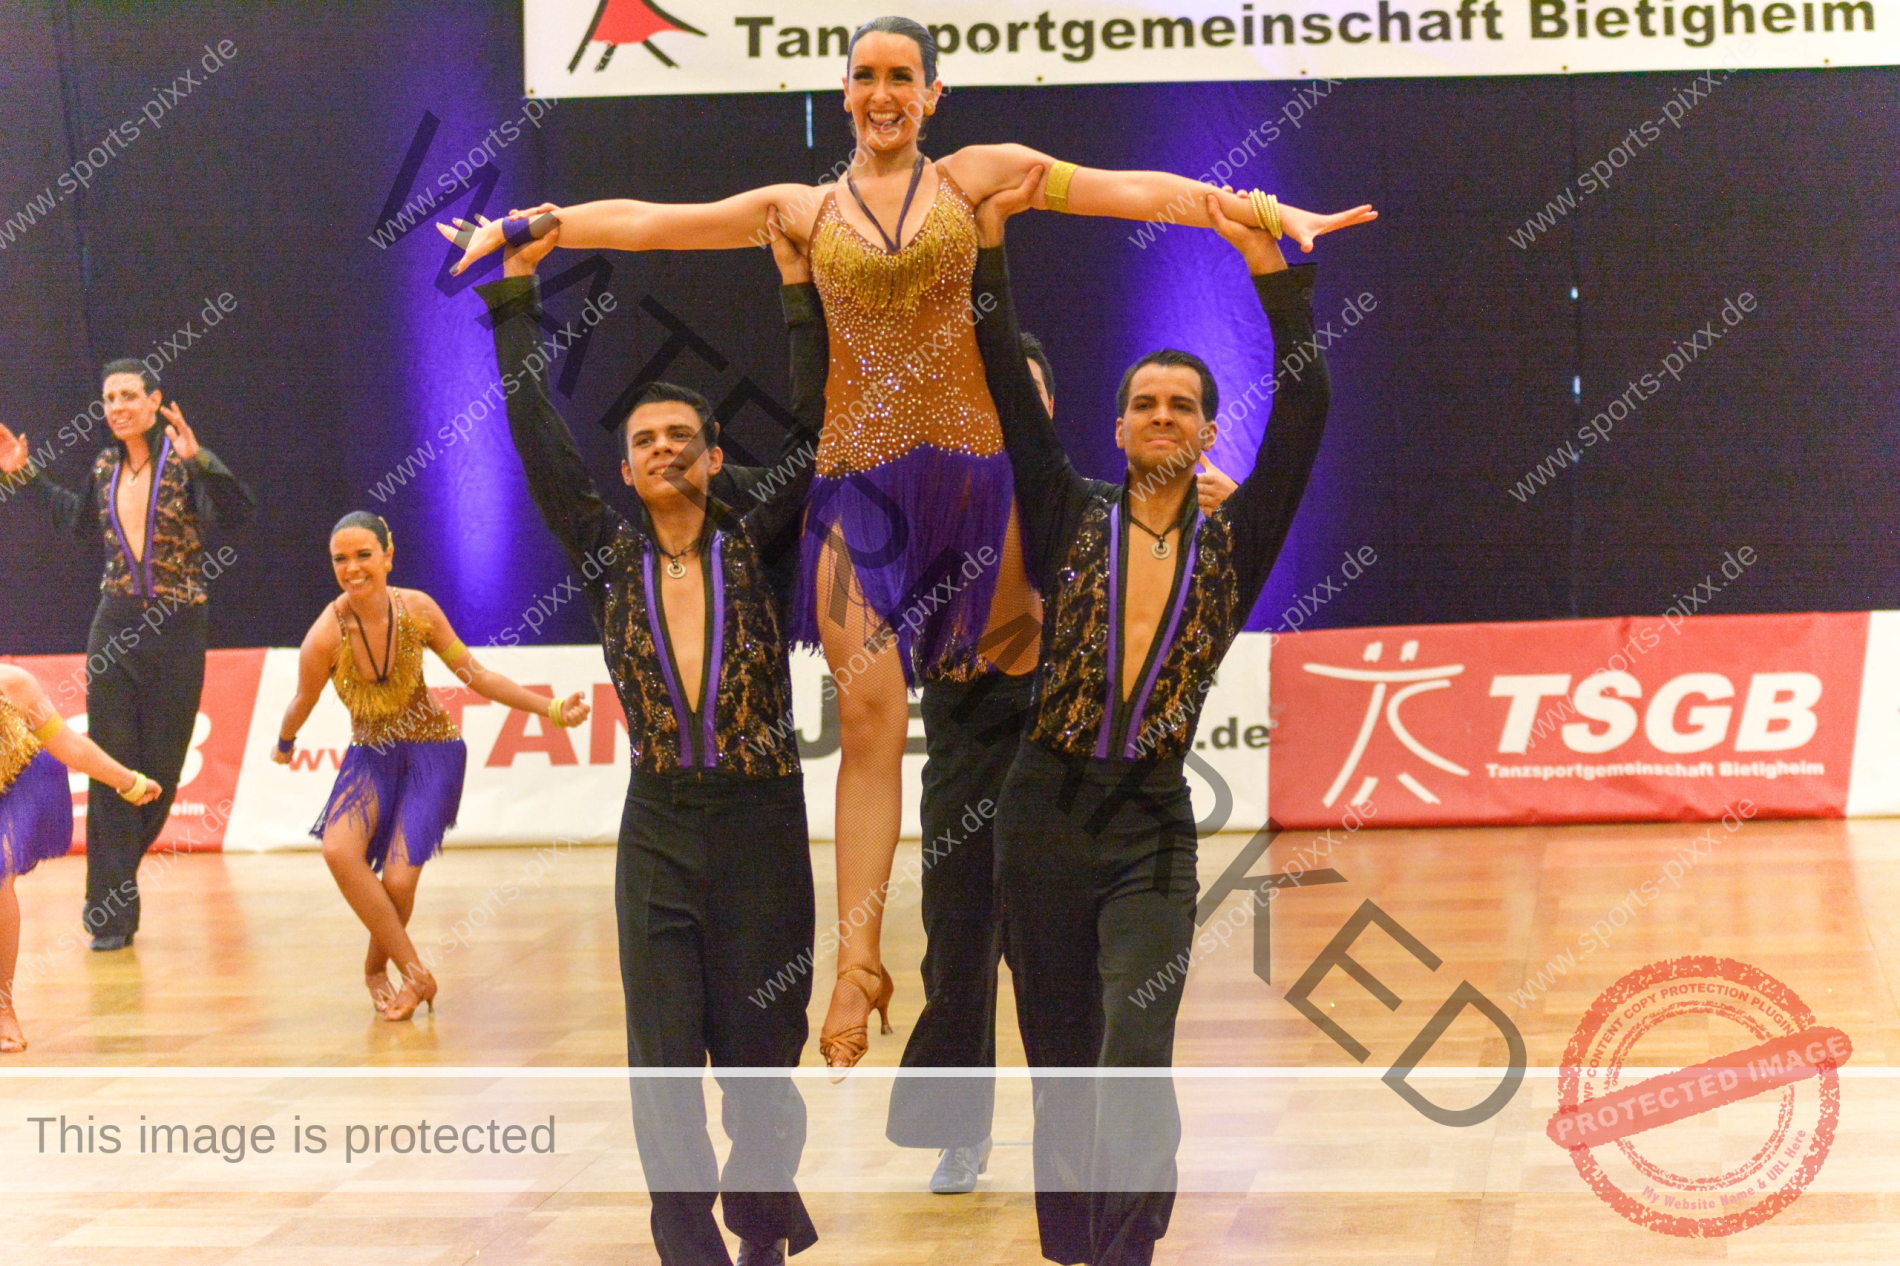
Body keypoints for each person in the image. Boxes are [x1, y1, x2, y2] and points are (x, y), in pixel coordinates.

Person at [438, 15, 1374, 1069]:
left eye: (901, 77)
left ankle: (1073, 902)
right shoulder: (799, 209)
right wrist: (539, 226)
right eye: (865, 76)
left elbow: (1131, 191)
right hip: (856, 491)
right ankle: (856, 962)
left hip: (978, 477)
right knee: (871, 719)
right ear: (844, 93)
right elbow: (658, 223)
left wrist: (1252, 210)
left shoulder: (978, 178)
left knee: (1027, 686)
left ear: (933, 94)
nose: (881, 94)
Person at [972, 174, 1333, 1265]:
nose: (1163, 416)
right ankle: (1074, 1246)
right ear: (1119, 427)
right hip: (1041, 808)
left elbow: (1307, 406)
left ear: (1209, 428)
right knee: (1062, 1059)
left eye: (1182, 404)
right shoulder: (1066, 508)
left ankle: (1127, 1246)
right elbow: (1001, 378)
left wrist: (1268, 265)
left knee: (1134, 1043)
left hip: (1150, 824)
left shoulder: (1238, 540)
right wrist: (988, 240)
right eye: (1146, 404)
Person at [476, 206, 826, 1266]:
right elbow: (539, 439)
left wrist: (797, 291)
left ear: (715, 458)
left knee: (763, 1053)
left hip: (763, 826)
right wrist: (512, 298)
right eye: (642, 441)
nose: (662, 448)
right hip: (660, 826)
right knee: (663, 1059)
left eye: (681, 437)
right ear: (625, 473)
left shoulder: (758, 540)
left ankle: (760, 1221)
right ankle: (687, 1244)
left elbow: (812, 427)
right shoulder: (605, 556)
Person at [886, 328, 1244, 1196]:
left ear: (1043, 407)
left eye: (1021, 392)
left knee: (1067, 961)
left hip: (1062, 747)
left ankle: (1092, 1147)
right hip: (965, 738)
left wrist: (1227, 514)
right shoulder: (924, 506)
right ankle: (960, 1129)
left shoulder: (1092, 506)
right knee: (958, 944)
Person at [272, 512, 589, 1021]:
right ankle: (417, 974)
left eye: (363, 555)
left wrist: (550, 709)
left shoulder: (417, 609)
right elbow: (301, 701)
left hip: (433, 753)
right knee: (337, 850)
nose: (352, 568)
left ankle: (379, 969)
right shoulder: (324, 637)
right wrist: (284, 742)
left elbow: (477, 676)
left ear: (388, 556)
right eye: (340, 559)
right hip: (371, 756)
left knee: (399, 882)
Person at [0, 366, 254, 951]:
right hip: (114, 628)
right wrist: (24, 475)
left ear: (154, 400)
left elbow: (238, 515)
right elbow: (74, 521)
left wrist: (202, 462)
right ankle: (108, 914)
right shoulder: (103, 467)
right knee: (112, 768)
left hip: (178, 627)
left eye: (129, 396)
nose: (117, 406)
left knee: (159, 773)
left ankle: (112, 887)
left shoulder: (185, 461)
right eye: (109, 397)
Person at [0, 664, 161, 1052]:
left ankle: (2, 1008)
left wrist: (128, 781)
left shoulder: (14, 685)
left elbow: (70, 745)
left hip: (10, 785)